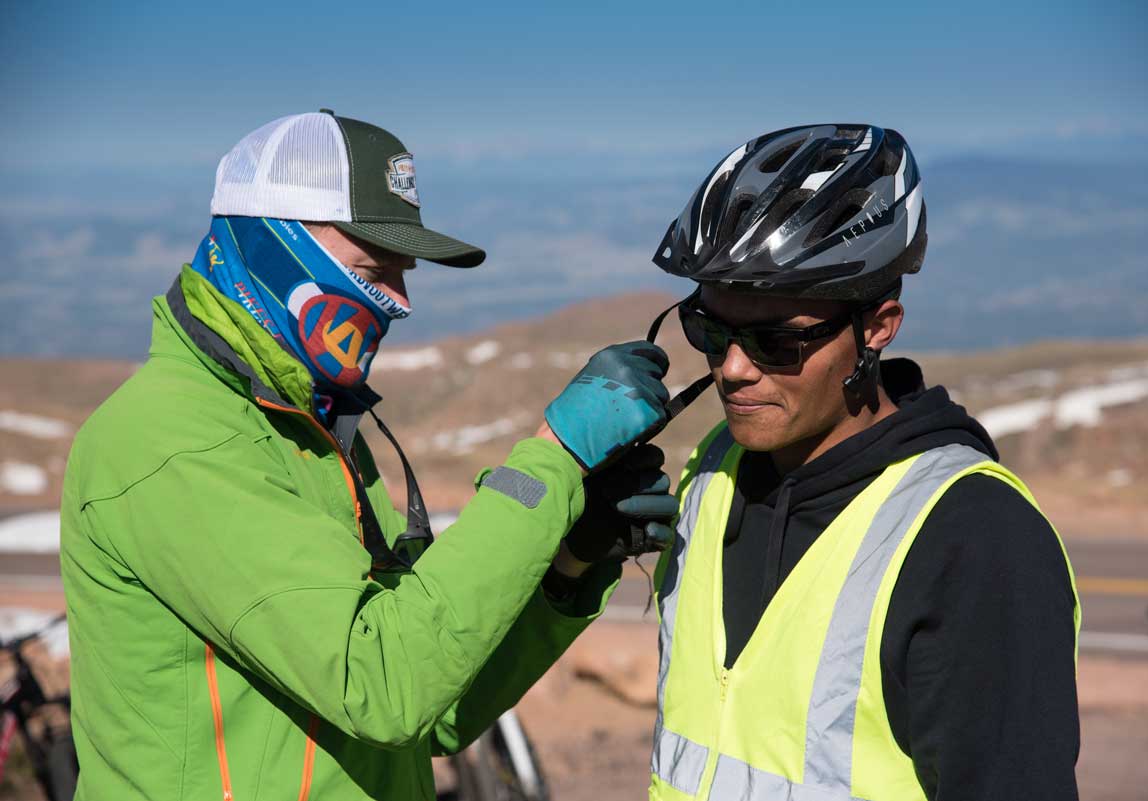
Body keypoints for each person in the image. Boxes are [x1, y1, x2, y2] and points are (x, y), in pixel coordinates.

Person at [59, 110, 679, 801]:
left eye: (402, 274)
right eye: (373, 270)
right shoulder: (174, 440)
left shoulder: (313, 430)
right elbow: (383, 686)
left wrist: (567, 566)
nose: (399, 301)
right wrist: (554, 456)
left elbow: (432, 707)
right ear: (273, 246)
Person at [645, 125, 1081, 800]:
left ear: (877, 326)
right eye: (710, 330)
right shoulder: (715, 466)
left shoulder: (974, 535)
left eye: (774, 342)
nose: (732, 369)